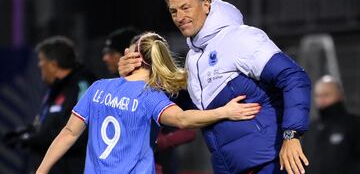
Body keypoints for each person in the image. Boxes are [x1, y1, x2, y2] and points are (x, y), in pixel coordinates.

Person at [118, 0, 312, 174]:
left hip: (269, 164)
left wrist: (292, 135)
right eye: (174, 11)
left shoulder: (239, 37)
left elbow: (294, 77)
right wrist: (131, 77)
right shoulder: (193, 58)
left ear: (207, 5)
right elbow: (180, 109)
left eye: (186, 7)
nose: (180, 17)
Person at [35, 32, 261, 174]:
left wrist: (42, 170)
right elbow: (183, 120)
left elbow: (68, 133)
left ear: (133, 57)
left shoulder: (98, 88)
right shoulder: (149, 97)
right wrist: (225, 111)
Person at [102, 29, 196, 174]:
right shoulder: (110, 88)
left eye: (112, 53)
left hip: (158, 165)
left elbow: (189, 129)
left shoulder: (163, 89)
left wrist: (158, 142)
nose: (106, 58)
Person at [4, 36, 96, 173]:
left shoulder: (83, 86)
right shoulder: (55, 88)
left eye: (41, 61)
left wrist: (34, 139)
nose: (39, 65)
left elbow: (79, 132)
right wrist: (25, 134)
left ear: (53, 65)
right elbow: (46, 125)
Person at [302, 75, 360, 174]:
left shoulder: (354, 125)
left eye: (326, 95)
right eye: (318, 95)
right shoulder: (311, 128)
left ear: (339, 95)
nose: (321, 100)